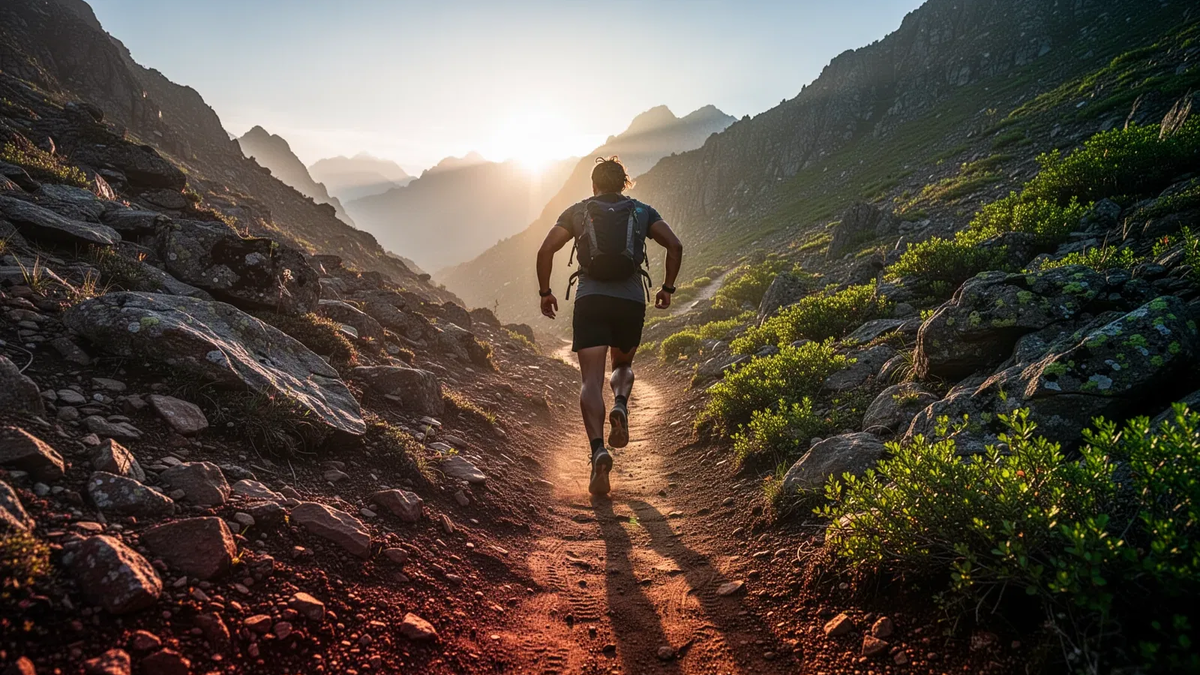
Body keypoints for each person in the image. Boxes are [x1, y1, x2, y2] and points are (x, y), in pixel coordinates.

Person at [536, 156, 683, 496]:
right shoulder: (643, 211)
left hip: (591, 300)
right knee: (623, 364)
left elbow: (546, 249)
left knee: (590, 379)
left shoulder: (577, 210)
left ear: (593, 185)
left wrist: (546, 292)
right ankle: (620, 402)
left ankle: (598, 450)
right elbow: (674, 245)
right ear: (624, 183)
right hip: (630, 300)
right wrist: (668, 288)